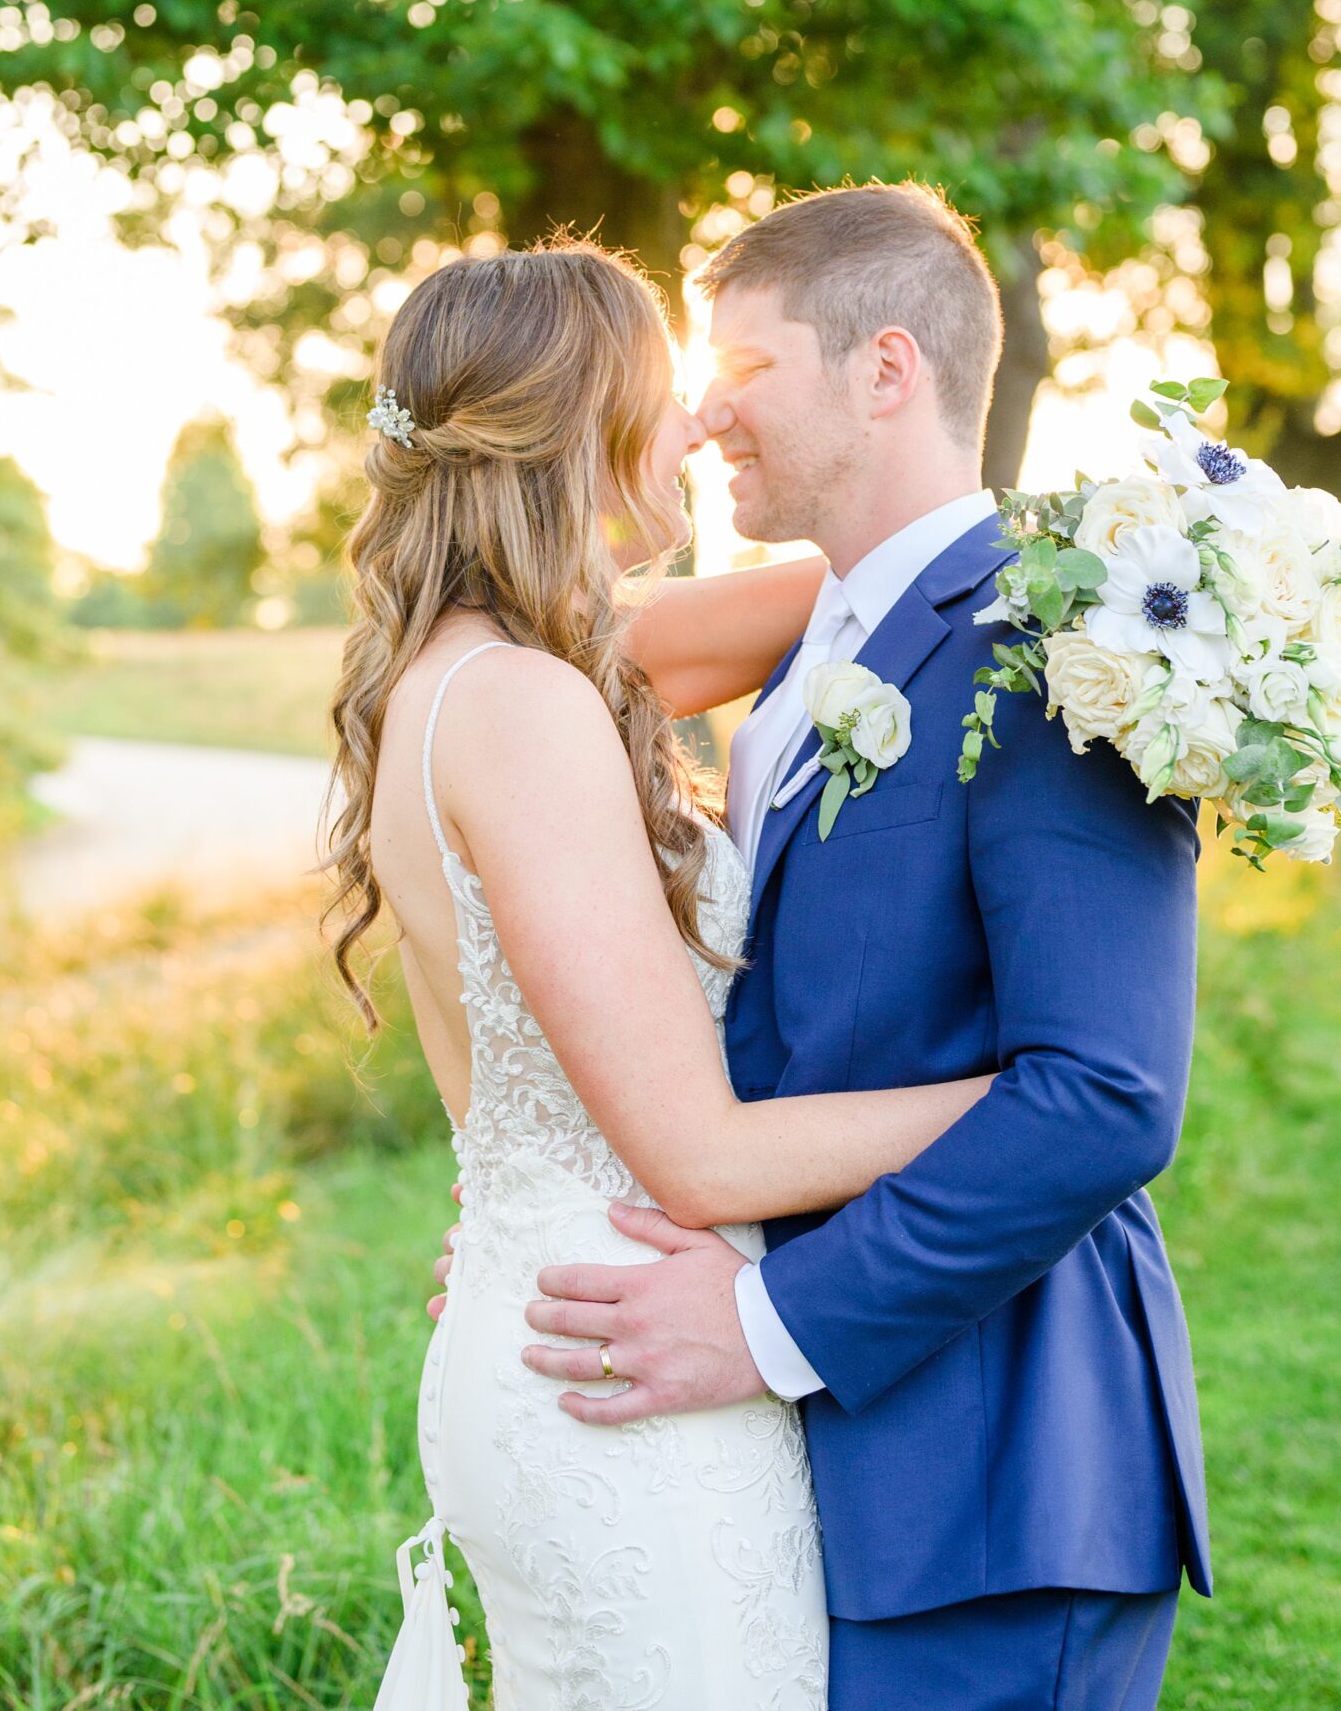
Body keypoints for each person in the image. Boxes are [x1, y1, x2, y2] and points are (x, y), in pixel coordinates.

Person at [517, 183, 1211, 1711]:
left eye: (745, 372)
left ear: (884, 369)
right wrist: (559, 1214)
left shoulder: (1057, 654)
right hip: (837, 1479)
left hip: (998, 1476)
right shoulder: (808, 653)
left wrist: (767, 1328)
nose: (705, 420)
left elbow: (1102, 1095)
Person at [325, 237, 998, 1710]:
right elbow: (695, 1155)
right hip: (630, 1370)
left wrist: (1134, 553)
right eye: (664, 394)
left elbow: (878, 585)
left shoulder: (483, 676)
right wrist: (1035, 1101)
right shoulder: (525, 710)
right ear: (574, 431)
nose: (697, 421)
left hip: (559, 1316)